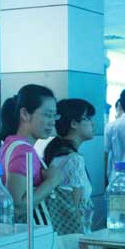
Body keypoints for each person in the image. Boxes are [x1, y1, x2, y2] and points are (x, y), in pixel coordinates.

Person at [0, 84, 62, 219]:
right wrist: (52, 181)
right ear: (25, 114)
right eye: (48, 115)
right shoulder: (23, 151)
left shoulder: (10, 144)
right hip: (26, 230)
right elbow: (17, 207)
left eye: (54, 116)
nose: (52, 122)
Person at [43, 98, 96, 229]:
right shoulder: (74, 160)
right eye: (88, 118)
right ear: (73, 123)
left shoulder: (56, 152)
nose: (93, 123)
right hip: (72, 236)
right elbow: (77, 210)